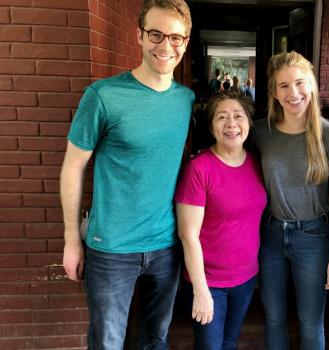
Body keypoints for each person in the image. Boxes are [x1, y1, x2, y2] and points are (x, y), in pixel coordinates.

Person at [60, 0, 194, 348]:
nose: (166, 46)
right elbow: (73, 168)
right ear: (139, 35)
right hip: (110, 249)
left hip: (166, 246)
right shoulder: (103, 96)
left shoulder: (186, 100)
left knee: (155, 339)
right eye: (155, 34)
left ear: (186, 42)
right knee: (107, 342)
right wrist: (72, 240)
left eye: (176, 38)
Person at [252, 51, 329, 350]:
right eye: (283, 86)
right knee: (274, 318)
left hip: (314, 237)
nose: (293, 93)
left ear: (312, 86)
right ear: (274, 93)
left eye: (299, 83)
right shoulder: (259, 132)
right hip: (270, 235)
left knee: (310, 322)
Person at [175, 91, 267, 350]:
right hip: (209, 281)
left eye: (238, 116)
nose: (231, 124)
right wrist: (201, 291)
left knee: (229, 343)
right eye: (221, 117)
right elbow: (188, 235)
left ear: (249, 123)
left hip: (246, 278)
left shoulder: (257, 163)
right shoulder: (199, 169)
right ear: (211, 126)